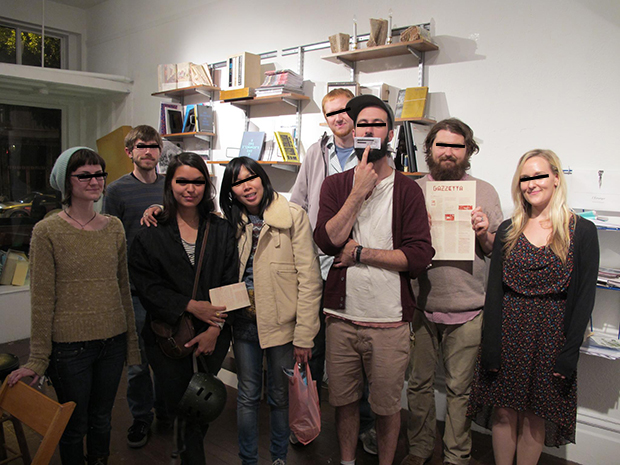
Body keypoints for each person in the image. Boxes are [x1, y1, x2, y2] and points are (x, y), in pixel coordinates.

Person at [313, 95, 434, 465]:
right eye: (362, 124)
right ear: (353, 132)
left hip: (390, 321)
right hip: (341, 318)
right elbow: (327, 240)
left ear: (390, 134)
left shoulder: (408, 190)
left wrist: (361, 253)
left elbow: (418, 257)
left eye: (377, 124)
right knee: (344, 402)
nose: (368, 130)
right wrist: (357, 192)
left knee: (386, 408)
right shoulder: (335, 186)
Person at [7, 147, 141, 465]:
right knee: (73, 424)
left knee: (102, 419)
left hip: (112, 342)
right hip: (69, 348)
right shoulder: (47, 231)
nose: (95, 181)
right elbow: (42, 299)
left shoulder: (114, 227)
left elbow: (123, 288)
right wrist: (38, 359)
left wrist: (131, 346)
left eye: (99, 174)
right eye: (85, 175)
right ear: (66, 181)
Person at [467, 149, 599, 465]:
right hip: (509, 332)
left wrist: (570, 352)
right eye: (525, 178)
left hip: (552, 338)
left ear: (556, 178)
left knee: (534, 416)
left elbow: (584, 299)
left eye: (539, 175)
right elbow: (495, 292)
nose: (531, 183)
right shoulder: (508, 230)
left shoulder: (581, 231)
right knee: (503, 412)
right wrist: (491, 345)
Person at [401, 119, 503, 465]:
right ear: (428, 148)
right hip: (421, 305)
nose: (448, 152)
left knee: (461, 390)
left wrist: (484, 232)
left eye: (457, 146)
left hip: (469, 307)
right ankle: (419, 448)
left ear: (468, 151)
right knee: (418, 384)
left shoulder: (484, 191)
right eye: (441, 144)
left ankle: (457, 455)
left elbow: (494, 250)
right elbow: (398, 247)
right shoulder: (412, 189)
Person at [128, 152, 239, 465]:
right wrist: (190, 306)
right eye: (182, 181)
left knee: (202, 404)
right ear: (170, 184)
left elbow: (231, 281)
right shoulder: (151, 233)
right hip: (167, 336)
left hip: (213, 333)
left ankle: (186, 453)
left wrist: (215, 328)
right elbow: (147, 286)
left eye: (198, 182)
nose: (190, 189)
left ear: (207, 185)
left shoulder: (220, 229)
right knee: (183, 405)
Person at [290, 87, 377, 453]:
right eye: (331, 113)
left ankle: (366, 426)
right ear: (325, 119)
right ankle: (307, 420)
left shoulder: (373, 151)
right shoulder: (316, 152)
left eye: (345, 110)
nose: (339, 117)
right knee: (313, 348)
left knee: (362, 353)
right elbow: (298, 202)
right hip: (319, 264)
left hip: (359, 263)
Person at [219, 156, 322, 465]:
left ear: (262, 178)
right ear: (231, 190)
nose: (246, 186)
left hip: (282, 325)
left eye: (251, 177)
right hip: (244, 322)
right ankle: (248, 460)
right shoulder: (229, 222)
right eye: (238, 182)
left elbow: (310, 279)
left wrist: (305, 335)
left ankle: (278, 457)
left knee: (279, 396)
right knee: (247, 395)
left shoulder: (292, 216)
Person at [103, 124, 168, 448]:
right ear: (129, 151)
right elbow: (110, 241)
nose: (148, 152)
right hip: (133, 291)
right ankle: (141, 417)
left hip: (168, 288)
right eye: (141, 146)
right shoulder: (116, 191)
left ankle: (166, 412)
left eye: (153, 146)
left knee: (168, 358)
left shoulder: (170, 186)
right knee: (138, 362)